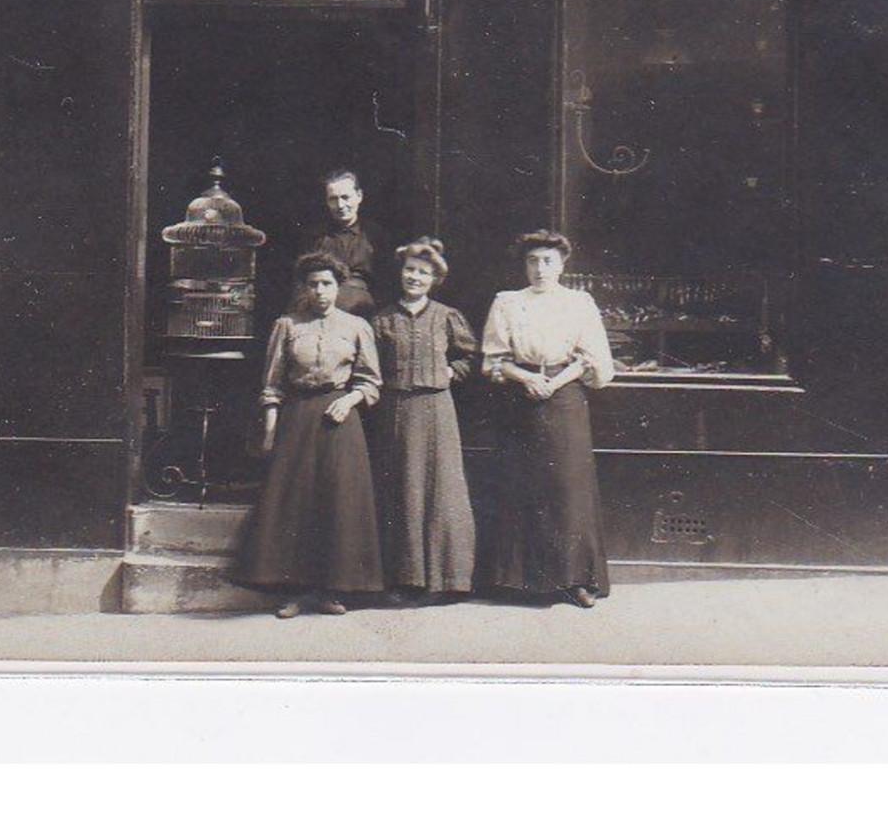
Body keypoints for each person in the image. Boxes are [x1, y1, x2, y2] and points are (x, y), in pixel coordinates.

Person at [234, 252, 384, 618]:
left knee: (337, 502)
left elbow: (371, 381)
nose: (320, 291)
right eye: (313, 284)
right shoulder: (287, 325)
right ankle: (292, 592)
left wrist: (349, 400)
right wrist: (271, 425)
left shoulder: (356, 327)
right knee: (294, 504)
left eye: (327, 284)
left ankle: (331, 590)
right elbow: (272, 382)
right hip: (297, 417)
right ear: (304, 287)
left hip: (338, 417)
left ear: (339, 287)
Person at [481, 230, 616, 608]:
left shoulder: (579, 303)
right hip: (520, 398)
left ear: (562, 264)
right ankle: (520, 581)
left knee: (569, 488)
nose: (540, 269)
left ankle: (576, 581)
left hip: (565, 397)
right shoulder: (507, 303)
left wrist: (554, 382)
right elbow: (494, 360)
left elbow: (591, 358)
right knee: (522, 485)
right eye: (532, 261)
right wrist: (527, 378)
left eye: (548, 261)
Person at [371, 238, 479, 603]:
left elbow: (469, 355)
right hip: (396, 410)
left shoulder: (446, 317)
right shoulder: (383, 319)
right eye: (410, 270)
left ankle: (446, 580)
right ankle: (404, 580)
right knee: (403, 490)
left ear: (435, 279)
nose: (415, 277)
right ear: (401, 273)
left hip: (437, 410)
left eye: (423, 272)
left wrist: (452, 371)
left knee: (441, 491)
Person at [303, 168, 392, 318]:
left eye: (345, 197)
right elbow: (302, 284)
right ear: (326, 201)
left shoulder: (376, 236)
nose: (340, 205)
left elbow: (387, 285)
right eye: (333, 199)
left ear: (359, 196)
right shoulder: (316, 237)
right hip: (322, 314)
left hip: (365, 314)